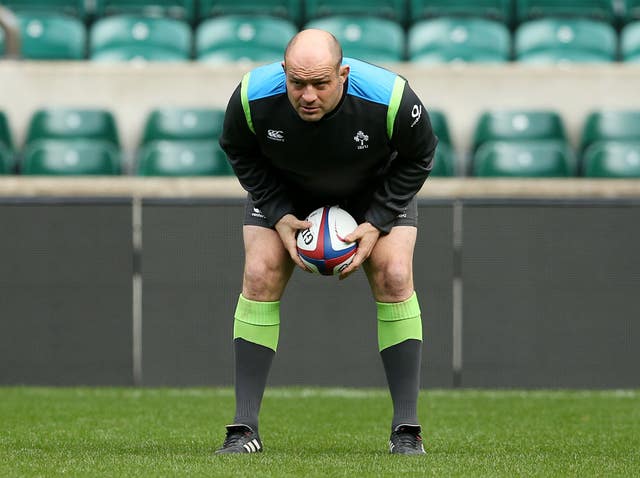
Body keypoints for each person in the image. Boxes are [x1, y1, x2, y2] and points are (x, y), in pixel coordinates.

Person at [215, 29, 438, 456]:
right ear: (283, 74)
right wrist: (278, 214)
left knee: (395, 275)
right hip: (286, 191)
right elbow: (238, 150)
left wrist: (375, 221)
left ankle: (407, 430)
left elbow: (420, 155)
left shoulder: (392, 98)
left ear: (344, 74)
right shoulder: (249, 97)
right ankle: (243, 429)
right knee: (259, 273)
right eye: (297, 83)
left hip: (374, 190)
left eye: (321, 83)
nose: (308, 95)